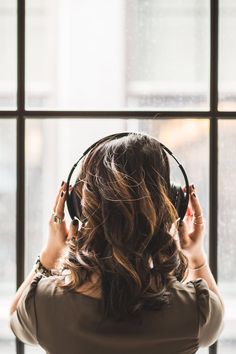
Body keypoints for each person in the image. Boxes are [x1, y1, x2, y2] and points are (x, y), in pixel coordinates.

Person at [9, 133, 224, 354]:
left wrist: (51, 253)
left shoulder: (44, 304)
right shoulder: (195, 311)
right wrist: (196, 256)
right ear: (172, 204)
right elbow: (216, 320)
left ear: (78, 208)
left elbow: (15, 316)